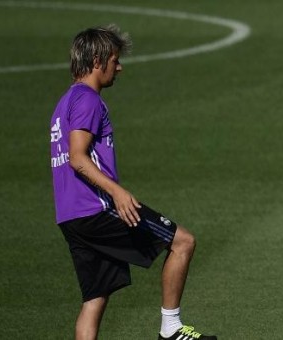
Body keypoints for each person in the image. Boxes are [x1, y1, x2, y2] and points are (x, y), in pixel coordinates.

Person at [50, 25, 217, 340]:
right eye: (115, 60)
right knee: (183, 242)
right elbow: (78, 157)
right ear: (98, 61)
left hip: (71, 215)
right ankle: (171, 329)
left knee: (95, 298)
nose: (119, 67)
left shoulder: (65, 102)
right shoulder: (88, 100)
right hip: (96, 208)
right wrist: (118, 193)